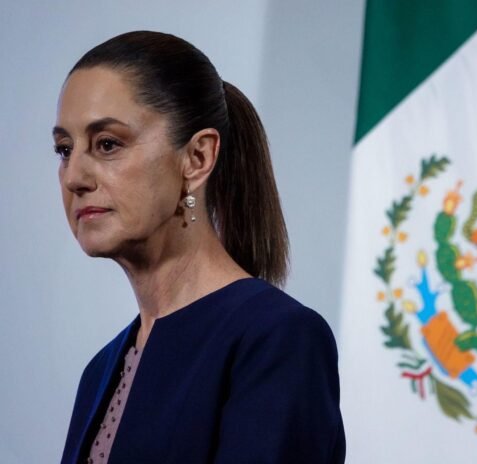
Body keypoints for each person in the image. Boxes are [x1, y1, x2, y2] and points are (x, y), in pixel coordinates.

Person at [55, 31, 345, 464]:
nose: (74, 177)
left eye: (108, 144)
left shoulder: (277, 340)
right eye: (64, 149)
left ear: (197, 158)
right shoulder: (100, 371)